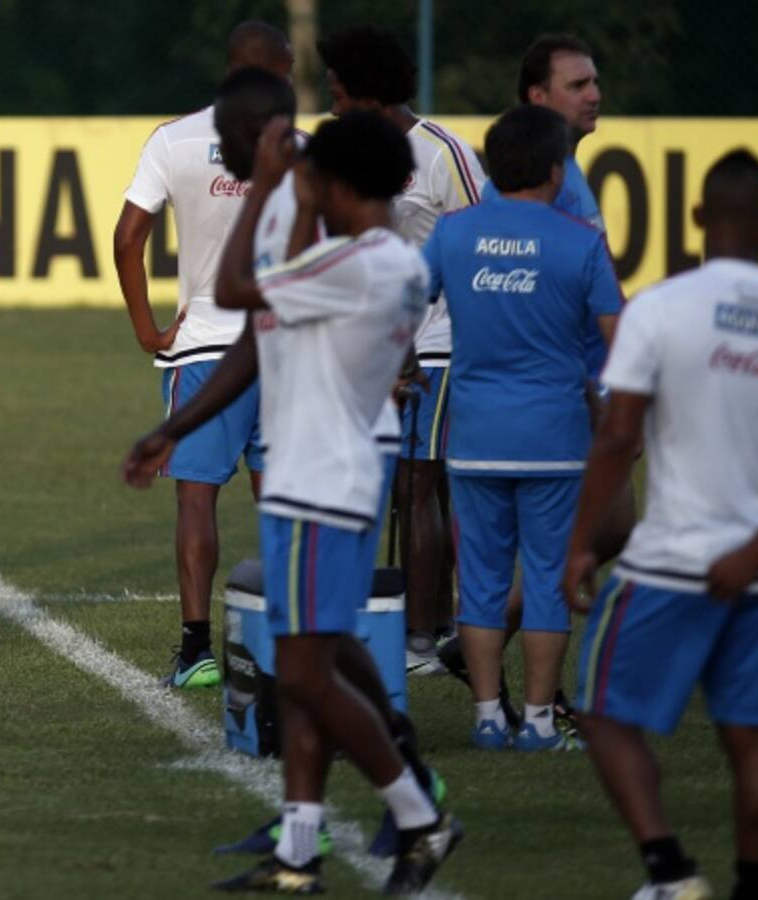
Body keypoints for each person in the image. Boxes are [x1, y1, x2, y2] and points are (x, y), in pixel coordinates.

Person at [126, 109, 460, 896]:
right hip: (324, 475)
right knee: (310, 660)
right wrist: (173, 426)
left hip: (325, 481)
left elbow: (238, 289)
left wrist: (274, 187)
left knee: (305, 674)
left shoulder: (360, 265)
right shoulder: (378, 262)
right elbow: (256, 343)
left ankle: (419, 814)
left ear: (343, 187)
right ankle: (299, 853)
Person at [562, 150, 758, 900]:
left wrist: (577, 544)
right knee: (751, 739)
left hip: (673, 560)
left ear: (696, 218)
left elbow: (618, 434)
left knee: (599, 707)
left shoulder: (661, 308)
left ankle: (670, 872)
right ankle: (753, 890)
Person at [440, 33, 633, 730]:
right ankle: (538, 700)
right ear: (537, 97)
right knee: (572, 547)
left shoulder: (537, 190)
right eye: (578, 84)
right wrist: (609, 402)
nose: (594, 94)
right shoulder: (547, 192)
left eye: (594, 81)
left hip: (511, 407)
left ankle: (489, 666)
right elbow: (577, 302)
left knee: (601, 530)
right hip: (559, 400)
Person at [114, 21, 293, 688]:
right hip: (286, 347)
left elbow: (129, 236)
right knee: (283, 501)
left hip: (205, 347)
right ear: (276, 70)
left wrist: (146, 328)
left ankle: (196, 651)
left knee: (197, 498)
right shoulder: (299, 148)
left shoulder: (175, 137)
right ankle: (286, 644)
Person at [316, 25, 485, 676]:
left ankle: (418, 639)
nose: (331, 105)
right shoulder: (350, 150)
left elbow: (479, 239)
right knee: (412, 488)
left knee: (419, 483)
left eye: (337, 92)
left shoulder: (442, 152)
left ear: (369, 95)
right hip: (380, 347)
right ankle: (434, 622)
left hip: (438, 341)